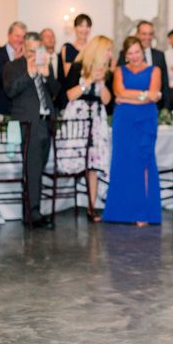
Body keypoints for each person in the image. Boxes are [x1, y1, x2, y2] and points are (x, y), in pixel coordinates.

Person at [103, 37, 162, 226]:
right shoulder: (119, 71)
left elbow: (154, 94)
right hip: (124, 122)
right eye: (130, 53)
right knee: (123, 163)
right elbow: (118, 93)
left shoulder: (155, 70)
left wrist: (131, 97)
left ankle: (143, 212)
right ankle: (121, 212)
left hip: (146, 121)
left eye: (137, 51)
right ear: (125, 55)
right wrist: (144, 95)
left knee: (144, 163)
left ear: (143, 51)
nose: (134, 56)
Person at [3, 32, 61, 228]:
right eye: (31, 51)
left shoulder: (46, 64)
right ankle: (32, 213)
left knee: (40, 166)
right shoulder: (12, 67)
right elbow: (10, 91)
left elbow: (55, 92)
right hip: (28, 124)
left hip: (46, 122)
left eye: (38, 51)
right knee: (32, 167)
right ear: (22, 48)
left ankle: (31, 210)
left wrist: (46, 76)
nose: (34, 55)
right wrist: (29, 74)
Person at [63, 35, 113, 223]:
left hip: (97, 118)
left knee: (94, 164)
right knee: (80, 160)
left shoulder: (105, 71)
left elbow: (108, 100)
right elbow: (69, 94)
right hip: (78, 118)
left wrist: (100, 84)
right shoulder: (77, 67)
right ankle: (75, 203)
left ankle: (92, 207)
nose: (110, 54)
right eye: (108, 50)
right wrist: (90, 80)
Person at [117, 20, 170, 110]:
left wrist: (165, 108)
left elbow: (165, 84)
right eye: (144, 34)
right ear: (137, 34)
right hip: (127, 108)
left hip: (154, 107)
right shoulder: (124, 54)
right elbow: (119, 88)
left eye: (150, 34)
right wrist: (147, 97)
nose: (147, 37)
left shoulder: (159, 55)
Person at [0, 21, 27, 115]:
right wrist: (14, 61)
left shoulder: (27, 56)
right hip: (2, 105)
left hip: (22, 107)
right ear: (9, 35)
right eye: (17, 36)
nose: (20, 40)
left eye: (23, 37)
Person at [40, 28, 66, 110]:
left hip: (61, 104)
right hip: (44, 104)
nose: (50, 39)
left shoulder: (63, 59)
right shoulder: (38, 61)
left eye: (52, 36)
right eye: (47, 36)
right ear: (41, 41)